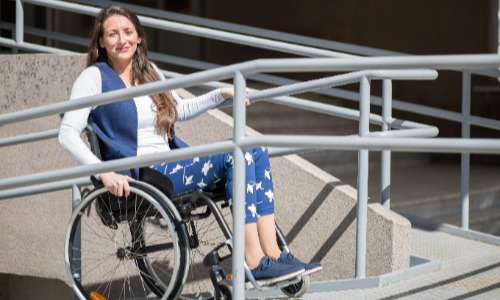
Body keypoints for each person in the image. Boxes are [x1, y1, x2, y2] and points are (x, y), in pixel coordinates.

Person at [58, 5, 321, 285]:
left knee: (255, 149)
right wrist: (104, 172)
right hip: (144, 175)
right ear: (101, 40)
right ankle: (253, 260)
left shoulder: (148, 71)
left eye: (128, 32)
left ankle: (274, 254)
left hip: (171, 164)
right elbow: (67, 133)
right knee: (234, 155)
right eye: (112, 34)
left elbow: (178, 109)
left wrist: (221, 93)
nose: (121, 40)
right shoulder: (94, 77)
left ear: (138, 38)